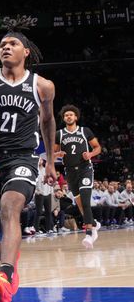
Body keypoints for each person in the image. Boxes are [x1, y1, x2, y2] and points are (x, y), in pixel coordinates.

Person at [0, 26, 57, 302]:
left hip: (22, 159)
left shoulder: (42, 85)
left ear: (26, 52)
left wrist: (51, 162)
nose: (5, 47)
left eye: (12, 43)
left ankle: (5, 274)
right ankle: (9, 265)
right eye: (1, 44)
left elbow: (47, 123)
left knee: (11, 205)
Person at [54, 105, 102, 248]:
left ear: (76, 117)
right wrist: (57, 154)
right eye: (66, 115)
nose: (69, 116)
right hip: (70, 172)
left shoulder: (84, 131)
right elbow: (53, 152)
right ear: (63, 119)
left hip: (85, 169)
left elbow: (97, 147)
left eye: (71, 114)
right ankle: (93, 223)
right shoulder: (59, 134)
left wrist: (91, 154)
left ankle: (89, 233)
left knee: (86, 201)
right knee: (80, 205)